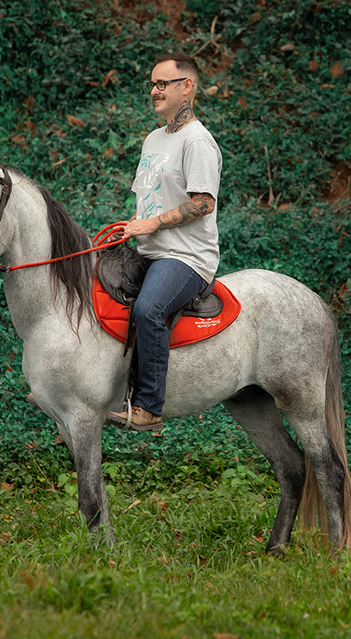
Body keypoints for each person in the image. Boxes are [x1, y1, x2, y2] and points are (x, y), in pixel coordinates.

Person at [106, 53, 222, 432]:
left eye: (162, 84)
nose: (154, 91)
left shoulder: (198, 141)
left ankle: (149, 407)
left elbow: (204, 203)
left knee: (148, 309)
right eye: (152, 84)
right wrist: (136, 225)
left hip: (186, 257)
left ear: (186, 87)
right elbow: (155, 196)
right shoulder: (154, 138)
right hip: (149, 250)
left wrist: (152, 223)